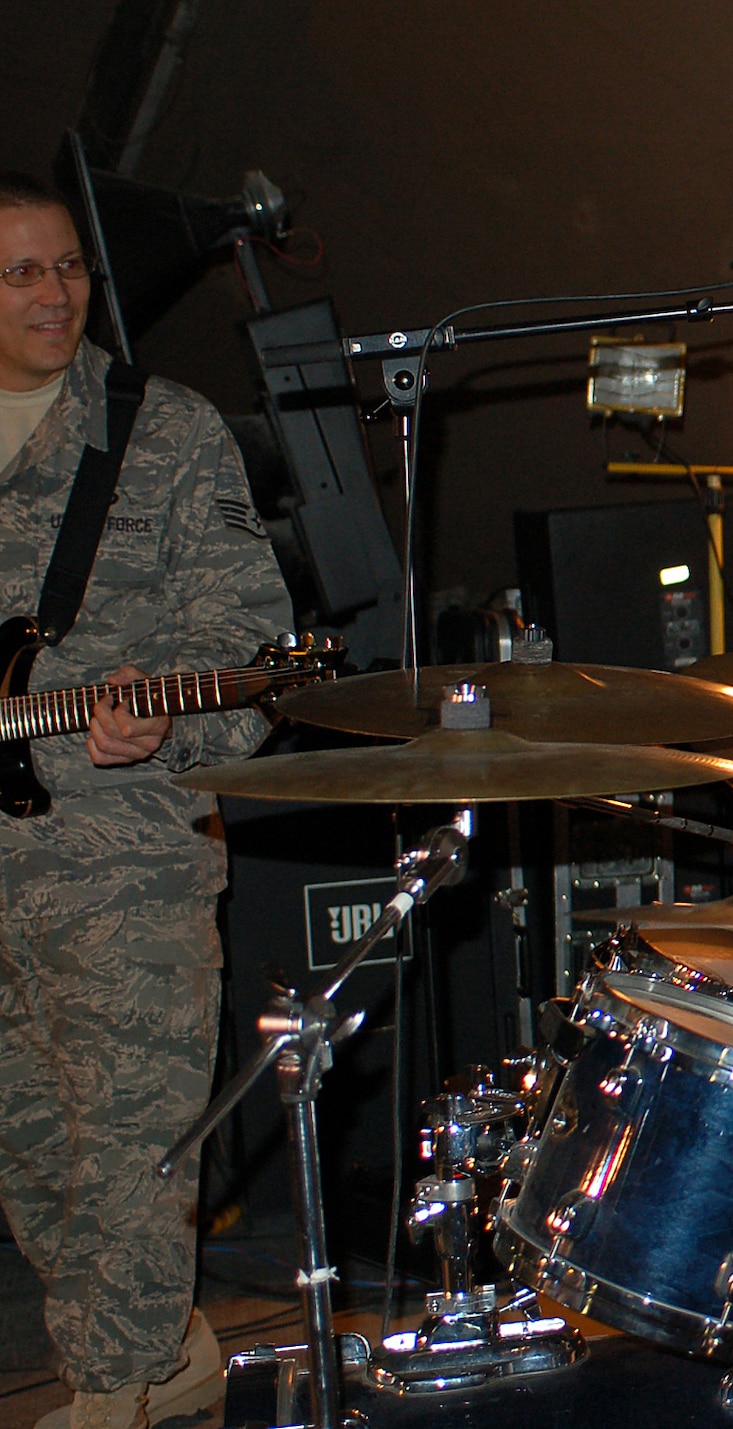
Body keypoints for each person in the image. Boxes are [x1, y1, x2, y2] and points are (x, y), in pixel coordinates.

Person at [0, 171, 291, 1429]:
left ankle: (112, 1390)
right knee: (35, 1157)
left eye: (66, 266)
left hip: (124, 862)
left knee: (128, 1149)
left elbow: (262, 651)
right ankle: (166, 1351)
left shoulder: (160, 431)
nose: (54, 292)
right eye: (19, 272)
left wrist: (170, 706)